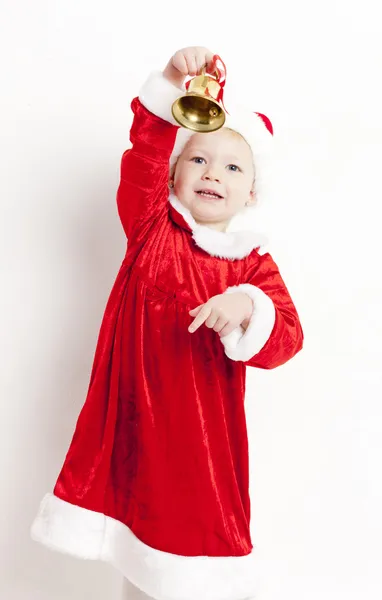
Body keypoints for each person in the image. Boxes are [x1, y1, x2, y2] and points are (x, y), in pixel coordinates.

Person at [31, 46, 304, 600]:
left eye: (232, 167)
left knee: (186, 565)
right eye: (198, 160)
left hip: (200, 448)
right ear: (175, 175)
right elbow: (143, 161)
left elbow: (288, 338)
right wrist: (173, 88)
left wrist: (248, 305)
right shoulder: (152, 229)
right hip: (132, 430)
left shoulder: (252, 264)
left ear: (251, 192)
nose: (212, 174)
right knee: (139, 559)